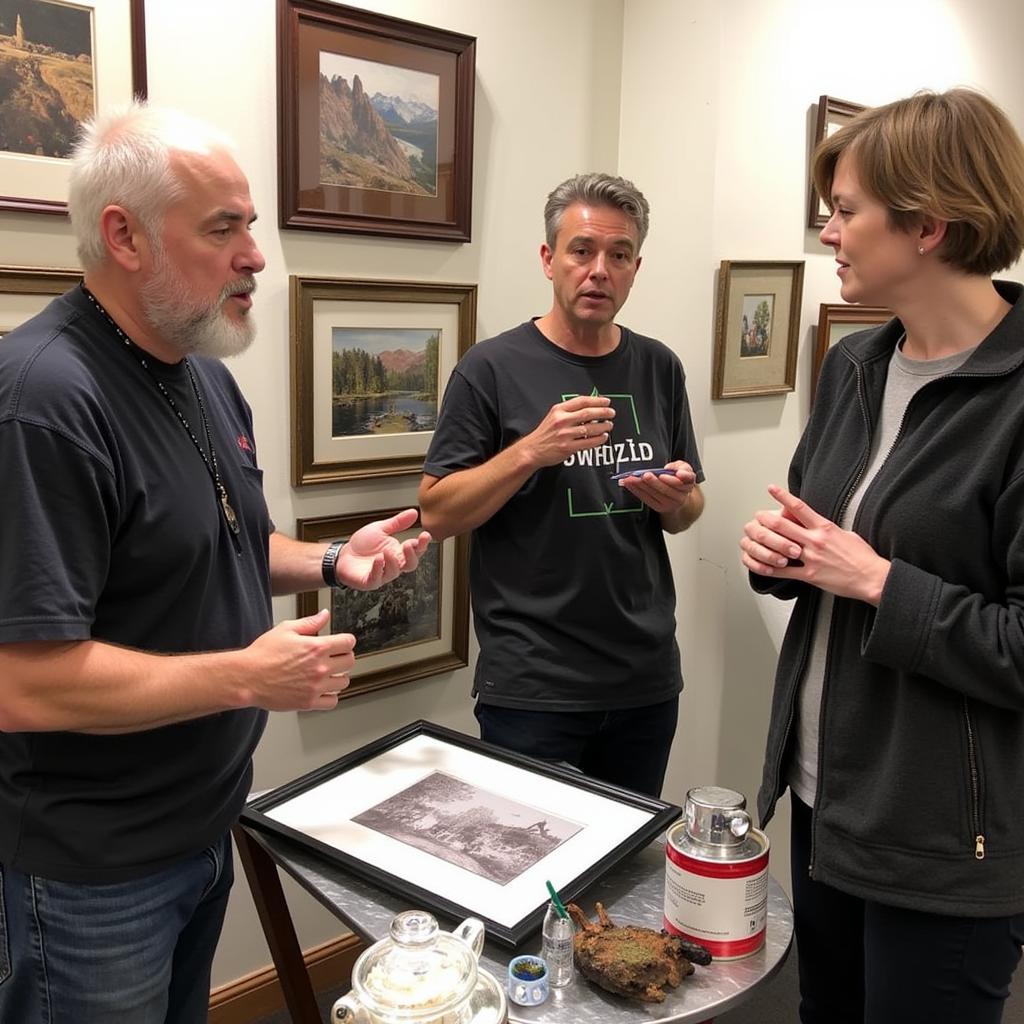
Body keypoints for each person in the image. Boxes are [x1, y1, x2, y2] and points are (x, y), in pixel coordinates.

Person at [0, 102, 430, 1024]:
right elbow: (22, 683)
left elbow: (225, 540)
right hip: (93, 872)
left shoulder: (201, 370)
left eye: (252, 225)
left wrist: (329, 560)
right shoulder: (43, 401)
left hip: (201, 825)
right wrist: (245, 678)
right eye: (223, 228)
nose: (255, 256)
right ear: (124, 235)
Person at [740, 88, 1024, 1023]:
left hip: (946, 837)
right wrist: (779, 552)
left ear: (930, 224)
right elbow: (823, 538)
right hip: (829, 797)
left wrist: (877, 581)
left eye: (845, 210)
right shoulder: (854, 365)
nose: (828, 232)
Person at [418, 172, 705, 798]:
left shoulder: (659, 365)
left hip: (645, 678)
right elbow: (436, 512)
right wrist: (530, 451)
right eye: (582, 250)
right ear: (549, 259)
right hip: (533, 687)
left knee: (623, 880)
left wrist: (677, 499)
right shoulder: (490, 369)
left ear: (635, 268)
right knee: (534, 877)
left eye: (619, 255)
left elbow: (689, 509)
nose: (599, 269)